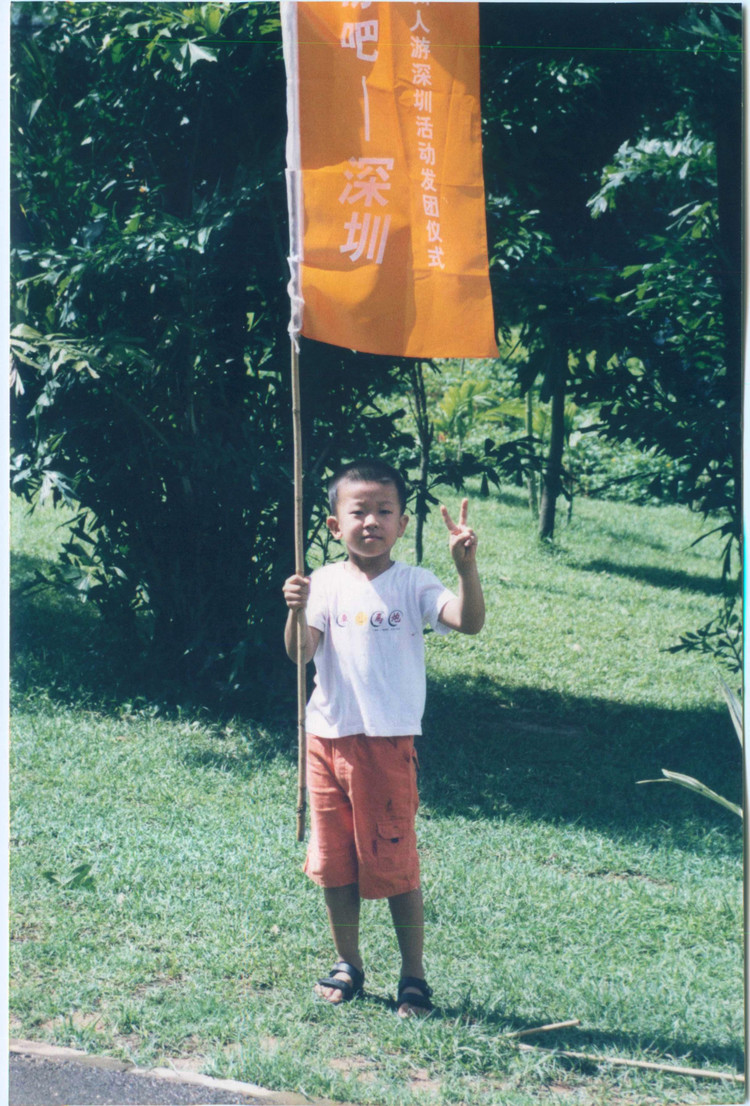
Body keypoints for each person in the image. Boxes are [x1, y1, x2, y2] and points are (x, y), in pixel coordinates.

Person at [283, 458, 484, 1017]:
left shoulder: (415, 583)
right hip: (325, 740)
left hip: (387, 746)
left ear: (400, 523)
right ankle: (348, 962)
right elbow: (301, 653)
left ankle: (413, 976)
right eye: (358, 511)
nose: (371, 521)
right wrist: (295, 612)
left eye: (384, 511)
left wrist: (466, 569)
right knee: (335, 862)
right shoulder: (321, 582)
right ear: (333, 525)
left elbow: (468, 622)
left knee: (395, 865)